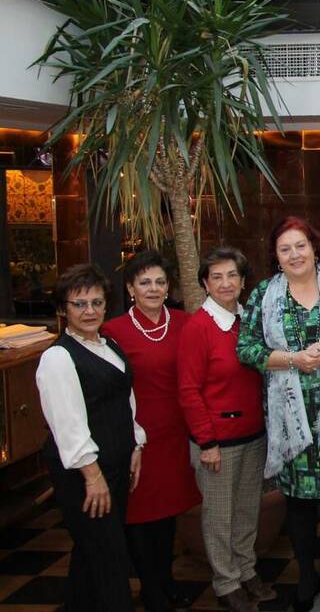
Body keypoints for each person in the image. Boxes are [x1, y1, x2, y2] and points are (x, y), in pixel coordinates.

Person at [237, 216, 320, 612]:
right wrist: (290, 359)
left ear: (315, 248)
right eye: (285, 249)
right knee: (299, 503)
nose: (294, 254)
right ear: (276, 257)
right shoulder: (264, 294)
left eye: (301, 245)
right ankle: (306, 575)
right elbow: (247, 349)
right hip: (291, 419)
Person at [36, 264, 146, 612]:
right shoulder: (58, 357)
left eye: (97, 303)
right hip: (84, 475)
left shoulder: (108, 345)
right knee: (110, 559)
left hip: (115, 465)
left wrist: (136, 444)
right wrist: (93, 476)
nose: (90, 311)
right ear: (62, 309)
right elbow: (67, 425)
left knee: (91, 556)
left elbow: (125, 400)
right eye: (79, 304)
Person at [177, 247, 275, 612]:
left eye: (232, 275)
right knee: (219, 516)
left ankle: (246, 570)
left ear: (243, 281)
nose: (225, 283)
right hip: (217, 441)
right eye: (216, 277)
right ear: (205, 283)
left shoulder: (249, 320)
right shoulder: (198, 327)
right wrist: (206, 442)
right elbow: (188, 391)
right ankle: (226, 582)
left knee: (247, 511)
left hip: (254, 435)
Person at [102, 250, 201, 612]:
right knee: (141, 516)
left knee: (167, 514)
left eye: (160, 282)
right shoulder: (113, 331)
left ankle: (167, 580)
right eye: (144, 282)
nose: (154, 288)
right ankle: (150, 588)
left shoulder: (185, 322)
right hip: (137, 438)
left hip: (175, 434)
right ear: (130, 288)